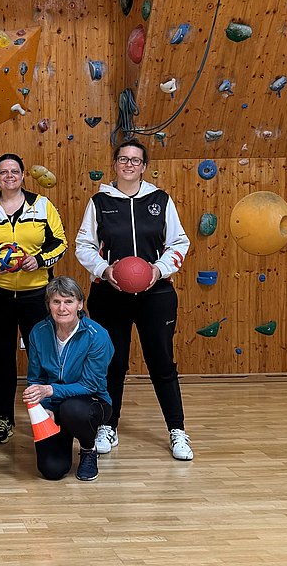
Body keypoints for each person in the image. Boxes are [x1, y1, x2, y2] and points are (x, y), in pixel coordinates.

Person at [75, 138, 193, 461]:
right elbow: (83, 245)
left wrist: (158, 270)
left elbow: (180, 243)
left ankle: (177, 431)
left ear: (144, 166)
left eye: (135, 160)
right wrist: (104, 268)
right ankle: (107, 426)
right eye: (123, 159)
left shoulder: (160, 200)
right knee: (112, 362)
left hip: (156, 294)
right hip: (110, 294)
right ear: (115, 164)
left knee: (162, 363)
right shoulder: (99, 202)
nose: (129, 164)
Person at [0, 153, 67, 445]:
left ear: (23, 176)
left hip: (37, 295)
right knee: (0, 356)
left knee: (43, 356)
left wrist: (40, 260)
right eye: (3, 172)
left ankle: (46, 413)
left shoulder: (42, 205)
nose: (9, 176)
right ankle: (2, 418)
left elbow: (61, 243)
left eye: (14, 171)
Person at [23, 276, 113, 481]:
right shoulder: (39, 331)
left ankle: (89, 450)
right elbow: (35, 378)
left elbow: (90, 384)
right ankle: (62, 434)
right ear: (49, 305)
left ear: (80, 304)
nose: (62, 308)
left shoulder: (97, 335)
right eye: (56, 301)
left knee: (71, 409)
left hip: (91, 402)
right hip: (54, 405)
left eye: (68, 301)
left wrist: (51, 391)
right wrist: (44, 406)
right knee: (52, 470)